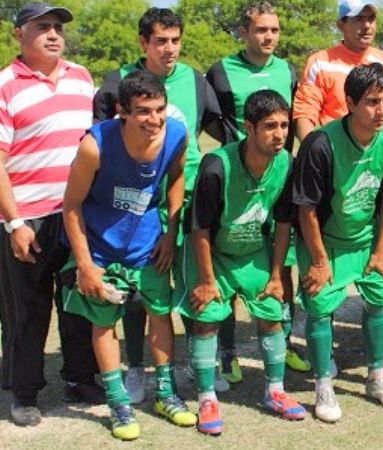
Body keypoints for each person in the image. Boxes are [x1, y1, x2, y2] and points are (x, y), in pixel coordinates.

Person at [93, 7, 224, 403]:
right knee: (139, 292)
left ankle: (197, 364)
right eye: (161, 41)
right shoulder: (118, 83)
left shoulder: (197, 80)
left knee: (193, 281)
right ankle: (135, 368)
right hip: (139, 205)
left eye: (175, 40)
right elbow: (103, 141)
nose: (170, 49)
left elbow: (217, 129)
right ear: (143, 43)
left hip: (190, 201)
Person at [61, 71, 192, 441]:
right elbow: (71, 205)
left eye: (160, 109)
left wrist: (170, 231)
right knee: (105, 321)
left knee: (160, 313)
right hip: (101, 246)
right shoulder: (95, 145)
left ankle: (166, 393)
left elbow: (178, 177)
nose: (154, 119)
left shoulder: (177, 134)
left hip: (148, 244)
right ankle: (118, 403)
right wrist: (86, 265)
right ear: (122, 111)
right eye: (144, 112)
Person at [175, 90, 307, 436]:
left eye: (284, 125)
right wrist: (205, 280)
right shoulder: (217, 165)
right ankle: (206, 397)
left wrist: (277, 275)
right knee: (206, 319)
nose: (279, 134)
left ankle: (274, 390)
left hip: (252, 250)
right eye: (269, 126)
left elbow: (282, 224)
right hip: (211, 253)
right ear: (249, 127)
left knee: (271, 313)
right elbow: (198, 226)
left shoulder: (287, 163)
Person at [0, 2, 102, 428]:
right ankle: (24, 392)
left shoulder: (81, 77)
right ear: (19, 34)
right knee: (28, 309)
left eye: (58, 27)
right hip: (29, 219)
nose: (54, 34)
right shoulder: (5, 84)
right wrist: (15, 222)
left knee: (78, 300)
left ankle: (80, 377)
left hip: (75, 215)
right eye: (42, 27)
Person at [293, 63, 383, 423]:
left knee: (380, 297)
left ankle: (376, 377)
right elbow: (306, 209)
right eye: (372, 102)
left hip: (365, 238)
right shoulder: (320, 143)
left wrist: (381, 250)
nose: (381, 110)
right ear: (350, 102)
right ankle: (323, 385)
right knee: (319, 306)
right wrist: (318, 260)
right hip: (324, 241)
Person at [205, 1, 311, 382]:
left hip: (278, 181)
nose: (269, 37)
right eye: (261, 30)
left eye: (274, 30)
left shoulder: (286, 69)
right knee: (232, 264)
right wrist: (241, 149)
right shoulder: (220, 71)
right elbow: (212, 121)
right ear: (244, 33)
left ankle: (284, 338)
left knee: (281, 262)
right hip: (239, 182)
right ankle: (227, 351)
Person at [293, 0, 383, 149]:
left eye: (371, 19)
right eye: (359, 19)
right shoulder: (320, 63)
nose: (367, 26)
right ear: (341, 25)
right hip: (339, 153)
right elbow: (305, 115)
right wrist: (313, 154)